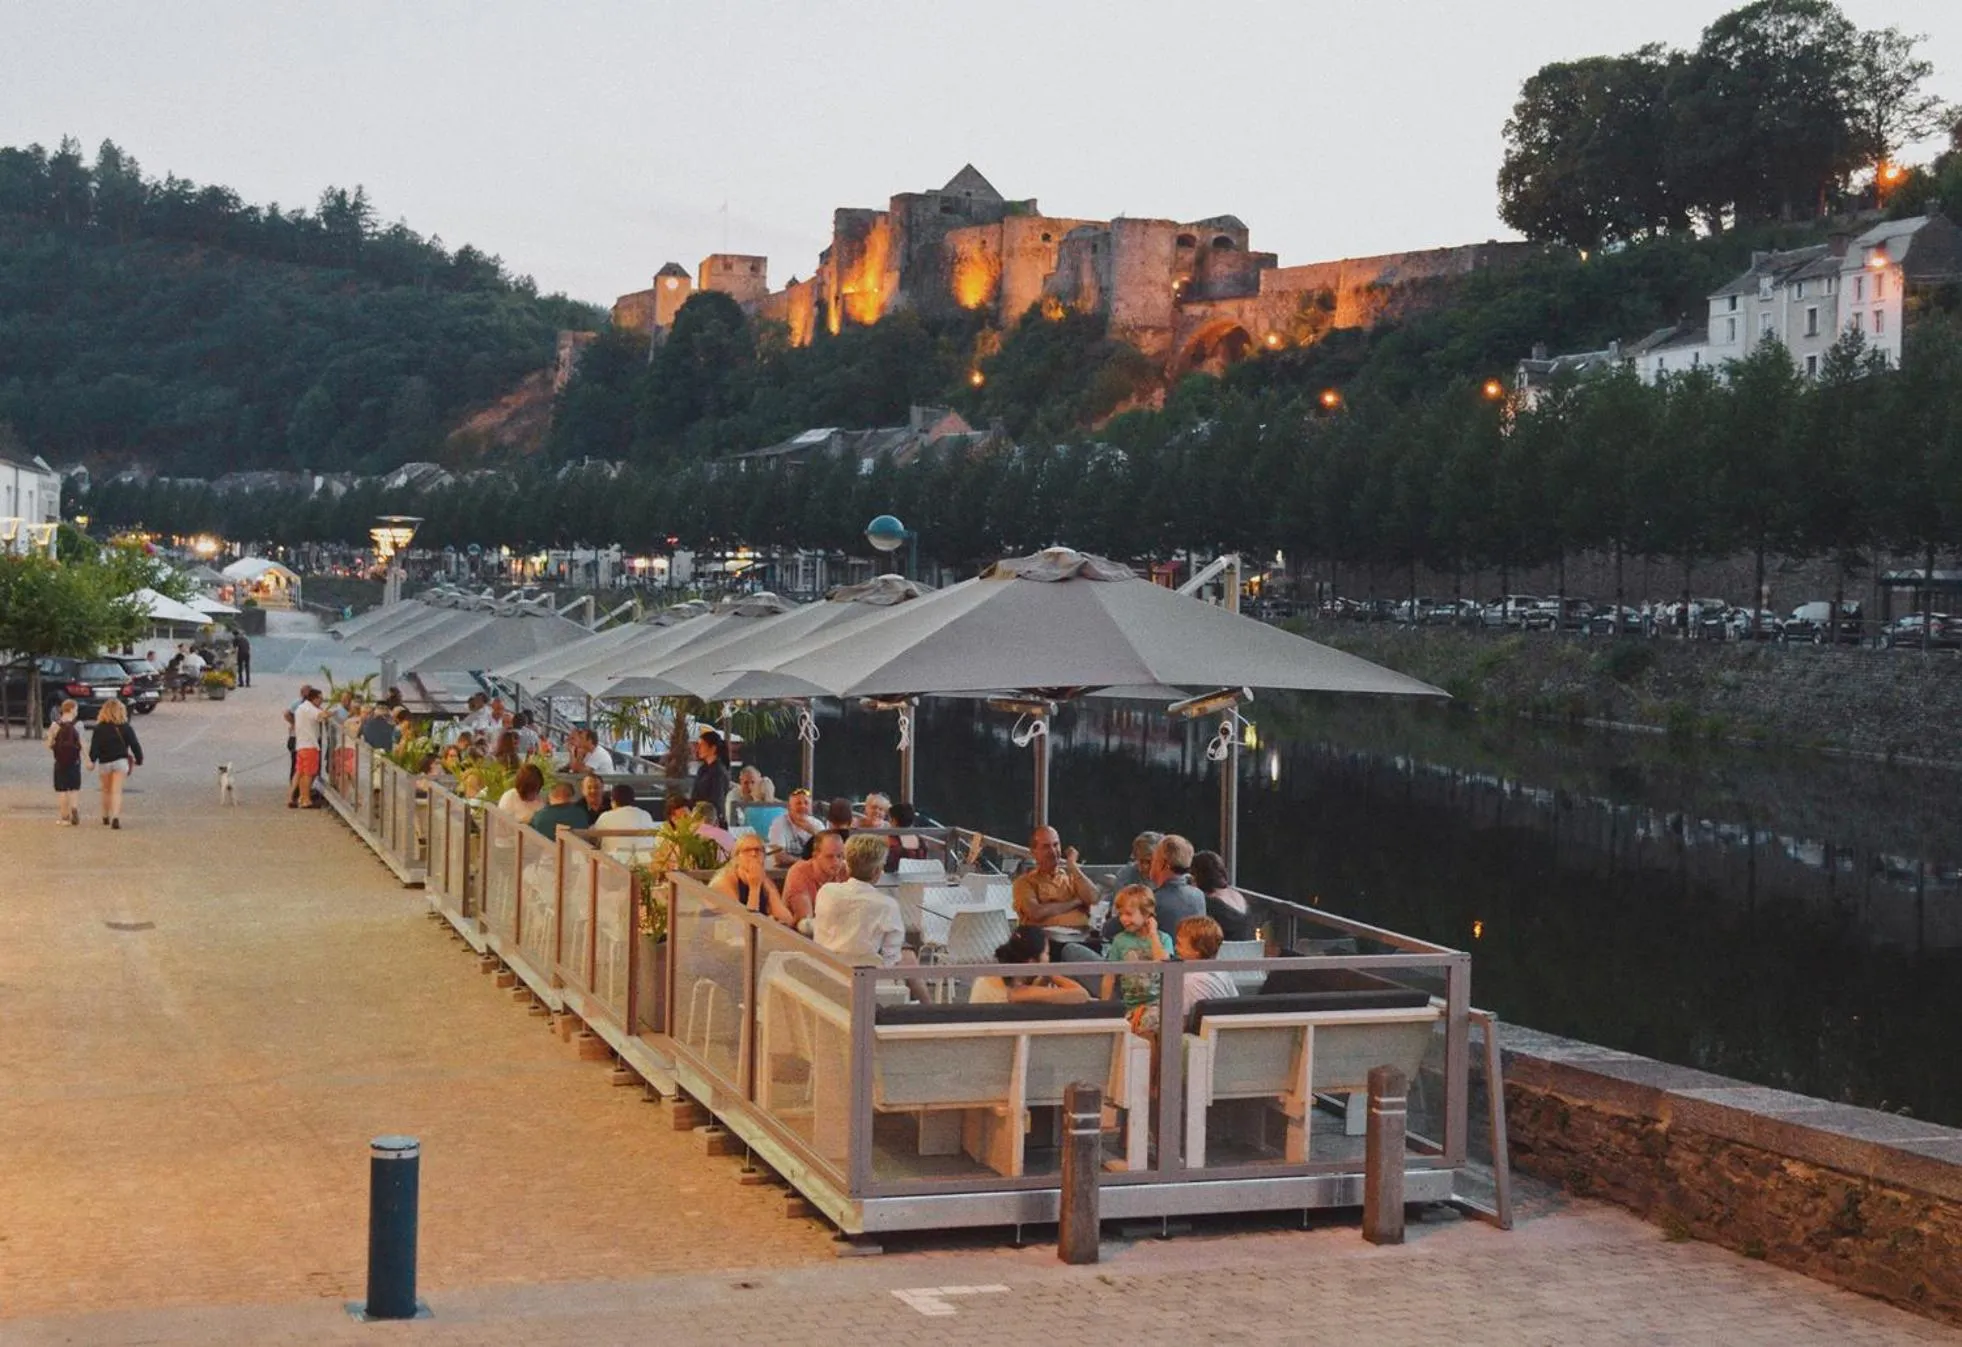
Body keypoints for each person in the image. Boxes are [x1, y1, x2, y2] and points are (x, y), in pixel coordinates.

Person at [813, 834, 928, 1001]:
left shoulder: (826, 892)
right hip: (870, 984)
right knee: (907, 960)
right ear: (877, 871)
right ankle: (930, 1011)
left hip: (827, 974)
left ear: (847, 865)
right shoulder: (887, 905)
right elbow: (892, 957)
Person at [1129, 915, 1239, 1040]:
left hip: (1195, 1041)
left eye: (1180, 944)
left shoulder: (1189, 981)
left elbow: (1178, 1024)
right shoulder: (1222, 973)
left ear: (1197, 951)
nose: (1175, 948)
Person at [1011, 825, 1098, 940]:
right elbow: (1036, 913)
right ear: (1034, 852)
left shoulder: (1072, 877)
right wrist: (1076, 901)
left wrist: (1073, 867)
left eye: (1056, 845)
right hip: (1047, 943)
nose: (1052, 851)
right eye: (1046, 846)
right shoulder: (1024, 882)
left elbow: (1094, 898)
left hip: (1084, 938)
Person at [969, 926, 1091, 1006]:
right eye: (1046, 953)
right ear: (1032, 962)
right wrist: (1050, 973)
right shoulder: (1014, 990)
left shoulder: (991, 977)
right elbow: (1081, 994)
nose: (1049, 959)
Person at [1100, 885, 1172, 1010]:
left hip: (1159, 1005)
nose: (1123, 919)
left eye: (1129, 914)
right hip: (1131, 1007)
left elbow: (1163, 964)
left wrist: (1153, 934)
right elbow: (1109, 976)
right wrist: (1103, 1007)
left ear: (1147, 913)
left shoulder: (1163, 939)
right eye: (1120, 914)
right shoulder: (1120, 940)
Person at [87, 698, 143, 829]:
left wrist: (92, 760)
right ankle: (116, 817)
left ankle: (105, 816)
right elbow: (135, 745)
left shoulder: (99, 728)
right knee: (117, 791)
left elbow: (94, 748)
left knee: (106, 790)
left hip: (105, 762)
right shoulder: (126, 727)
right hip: (121, 762)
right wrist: (139, 759)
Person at [710, 834, 791, 924]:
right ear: (736, 858)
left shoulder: (764, 880)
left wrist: (768, 888)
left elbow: (787, 920)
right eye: (747, 850)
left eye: (758, 850)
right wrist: (754, 888)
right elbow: (740, 924)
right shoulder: (725, 882)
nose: (753, 854)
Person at [781, 828, 847, 928]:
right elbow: (806, 924)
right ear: (815, 855)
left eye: (840, 856)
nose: (836, 862)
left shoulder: (845, 870)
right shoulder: (799, 872)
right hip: (794, 936)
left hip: (832, 933)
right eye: (829, 857)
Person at [1190, 849, 1259, 942]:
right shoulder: (1238, 895)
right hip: (1250, 950)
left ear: (1197, 876)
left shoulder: (1208, 903)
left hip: (1225, 951)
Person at [593, 784, 658, 861]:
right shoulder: (646, 815)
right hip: (645, 862)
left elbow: (594, 839)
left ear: (613, 801)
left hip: (614, 863)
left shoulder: (605, 817)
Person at [45, 698, 83, 825]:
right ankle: (74, 808)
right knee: (74, 788)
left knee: (62, 790)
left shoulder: (54, 725)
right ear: (71, 709)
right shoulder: (78, 725)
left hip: (60, 761)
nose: (77, 712)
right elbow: (82, 744)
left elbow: (49, 744)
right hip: (75, 761)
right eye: (76, 709)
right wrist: (88, 759)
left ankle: (65, 817)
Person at [767, 787, 825, 866]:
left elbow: (829, 851)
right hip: (786, 871)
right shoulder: (779, 824)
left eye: (806, 803)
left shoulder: (817, 825)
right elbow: (779, 857)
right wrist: (808, 863)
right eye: (798, 803)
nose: (803, 806)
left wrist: (814, 831)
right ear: (789, 807)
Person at [291, 685, 325, 810]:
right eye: (320, 698)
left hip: (301, 744)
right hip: (310, 744)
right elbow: (321, 716)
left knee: (302, 772)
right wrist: (332, 713)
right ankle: (306, 799)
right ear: (314, 698)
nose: (322, 701)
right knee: (308, 774)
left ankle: (301, 797)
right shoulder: (311, 709)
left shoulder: (301, 708)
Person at [690, 727, 730, 823]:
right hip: (698, 817)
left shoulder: (719, 772)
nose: (698, 748)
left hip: (711, 821)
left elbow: (717, 800)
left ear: (713, 748)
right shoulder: (703, 769)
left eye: (702, 745)